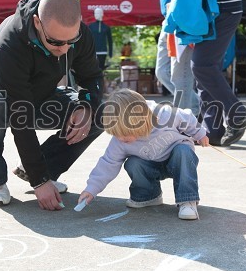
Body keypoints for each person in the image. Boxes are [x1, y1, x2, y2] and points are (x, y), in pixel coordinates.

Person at [0, 0, 104, 210]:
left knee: (103, 112)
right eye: (56, 42)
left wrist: (85, 106)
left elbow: (92, 77)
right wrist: (40, 182)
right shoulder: (10, 43)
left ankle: (43, 168)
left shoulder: (78, 34)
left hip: (42, 96)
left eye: (72, 40)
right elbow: (21, 116)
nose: (64, 48)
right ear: (38, 23)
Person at [78, 89, 209, 220]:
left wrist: (200, 134)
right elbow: (108, 163)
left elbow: (187, 117)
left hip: (177, 160)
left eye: (125, 133)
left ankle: (187, 201)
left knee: (183, 150)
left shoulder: (166, 115)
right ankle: (149, 195)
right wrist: (91, 189)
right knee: (133, 163)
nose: (121, 138)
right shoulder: (119, 141)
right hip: (150, 165)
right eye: (116, 133)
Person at [168, 0, 246, 146]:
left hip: (223, 9)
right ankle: (212, 130)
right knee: (205, 70)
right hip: (209, 10)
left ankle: (237, 114)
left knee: (202, 66)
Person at [155, 0, 187, 98]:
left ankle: (190, 108)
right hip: (167, 21)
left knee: (178, 76)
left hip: (179, 19)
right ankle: (194, 102)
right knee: (161, 72)